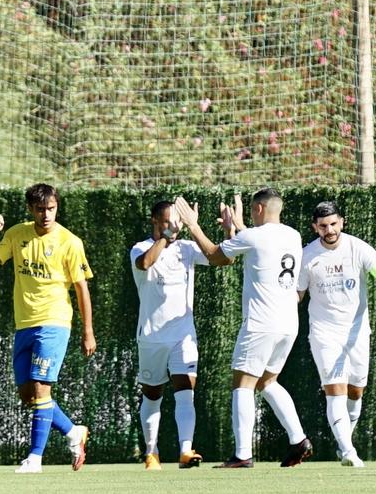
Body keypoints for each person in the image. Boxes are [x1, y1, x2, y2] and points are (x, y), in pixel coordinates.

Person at [176, 189, 310, 468]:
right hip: (288, 323)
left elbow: (216, 257)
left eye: (250, 210)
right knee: (267, 382)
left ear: (259, 209)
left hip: (262, 323)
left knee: (243, 384)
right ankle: (298, 440)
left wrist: (193, 225)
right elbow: (257, 247)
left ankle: (242, 454)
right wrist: (236, 228)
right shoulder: (292, 235)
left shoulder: (252, 236)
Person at [0, 183, 95, 473]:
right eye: (41, 209)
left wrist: (88, 332)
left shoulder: (70, 242)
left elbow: (82, 289)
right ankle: (73, 432)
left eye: (51, 208)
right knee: (28, 396)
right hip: (24, 324)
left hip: (55, 322)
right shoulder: (18, 233)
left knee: (42, 389)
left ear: (57, 208)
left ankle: (35, 459)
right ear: (31, 209)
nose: (46, 215)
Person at [298, 201, 376, 468]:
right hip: (324, 332)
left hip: (357, 332)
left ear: (342, 221)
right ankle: (349, 450)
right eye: (323, 226)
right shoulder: (307, 256)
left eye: (333, 224)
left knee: (356, 391)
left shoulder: (358, 248)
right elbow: (297, 295)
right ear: (314, 227)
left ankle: (345, 446)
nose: (329, 230)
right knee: (335, 390)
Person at [129, 197, 204, 469]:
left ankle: (186, 451)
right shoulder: (141, 247)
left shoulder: (187, 248)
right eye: (168, 222)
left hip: (183, 335)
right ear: (155, 221)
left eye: (177, 222)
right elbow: (145, 263)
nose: (174, 227)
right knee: (153, 394)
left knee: (186, 391)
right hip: (151, 337)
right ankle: (152, 452)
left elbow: (221, 258)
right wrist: (166, 238)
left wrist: (229, 233)